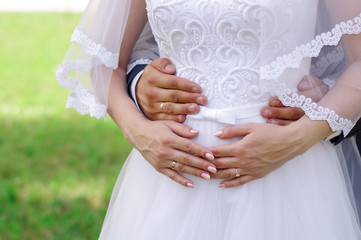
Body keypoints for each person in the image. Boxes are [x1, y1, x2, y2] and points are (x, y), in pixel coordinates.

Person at [56, 0, 361, 239]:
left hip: (287, 172)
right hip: (169, 176)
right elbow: (104, 60)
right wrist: (138, 130)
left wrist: (297, 139)